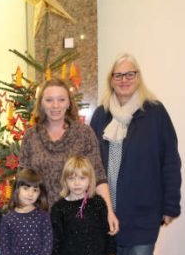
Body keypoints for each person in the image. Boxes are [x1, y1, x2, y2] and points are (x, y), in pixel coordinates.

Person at [91, 53, 182, 255]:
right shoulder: (101, 115)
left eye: (130, 74)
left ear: (138, 77)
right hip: (107, 213)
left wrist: (170, 206)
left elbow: (171, 161)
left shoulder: (154, 113)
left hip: (143, 213)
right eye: (119, 75)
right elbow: (90, 164)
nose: (124, 80)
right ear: (111, 80)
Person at [19, 78, 118, 234]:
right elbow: (22, 181)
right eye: (49, 100)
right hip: (39, 220)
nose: (55, 105)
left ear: (69, 103)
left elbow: (98, 176)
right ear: (41, 104)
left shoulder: (84, 134)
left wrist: (109, 212)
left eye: (61, 99)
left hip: (77, 220)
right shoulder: (31, 136)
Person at [50, 156, 117, 255]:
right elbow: (55, 241)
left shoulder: (98, 203)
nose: (77, 183)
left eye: (82, 178)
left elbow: (108, 234)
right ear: (65, 180)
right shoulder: (59, 208)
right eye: (72, 178)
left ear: (90, 180)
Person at [0, 169, 53, 255]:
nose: (30, 194)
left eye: (35, 190)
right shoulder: (7, 219)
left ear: (40, 193)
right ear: (17, 189)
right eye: (25, 188)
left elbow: (48, 243)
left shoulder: (43, 216)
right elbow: (4, 247)